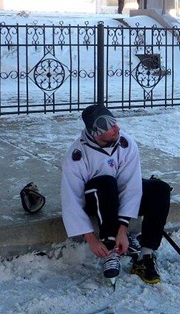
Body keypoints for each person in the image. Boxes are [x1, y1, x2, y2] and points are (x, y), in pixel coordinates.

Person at [60, 104, 171, 284]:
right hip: (96, 201)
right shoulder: (77, 155)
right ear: (96, 133)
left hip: (119, 199)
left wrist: (123, 229)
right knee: (106, 182)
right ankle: (110, 249)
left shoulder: (126, 143)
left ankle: (146, 253)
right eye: (109, 127)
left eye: (115, 123)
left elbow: (132, 186)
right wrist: (91, 239)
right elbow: (71, 199)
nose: (117, 128)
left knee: (159, 189)